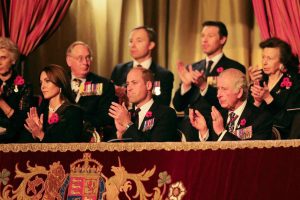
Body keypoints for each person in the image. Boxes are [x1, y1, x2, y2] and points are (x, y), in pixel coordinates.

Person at [172, 21, 245, 141]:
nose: (204, 40)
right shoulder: (194, 67)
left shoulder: (233, 67)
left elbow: (230, 102)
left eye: (210, 36)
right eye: (202, 36)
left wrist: (204, 85)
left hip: (215, 127)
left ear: (223, 39)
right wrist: (185, 85)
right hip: (189, 127)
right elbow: (178, 105)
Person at [189, 68, 272, 141]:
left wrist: (222, 133)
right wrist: (204, 131)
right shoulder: (217, 116)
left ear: (239, 92)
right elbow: (210, 152)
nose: (218, 95)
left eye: (224, 89)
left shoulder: (261, 118)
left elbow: (250, 153)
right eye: (218, 89)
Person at [109, 67, 180, 142]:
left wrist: (128, 124)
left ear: (148, 85)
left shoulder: (165, 114)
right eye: (127, 84)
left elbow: (155, 149)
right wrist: (121, 134)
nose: (128, 88)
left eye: (134, 83)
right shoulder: (127, 114)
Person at [249, 37, 300, 139]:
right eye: (263, 57)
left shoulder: (295, 82)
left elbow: (289, 121)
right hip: (255, 129)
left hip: (280, 133)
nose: (264, 62)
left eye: (270, 58)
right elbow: (247, 116)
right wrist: (256, 101)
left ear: (282, 62)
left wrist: (268, 98)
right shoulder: (259, 78)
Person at [66, 41, 116, 141]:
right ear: (69, 61)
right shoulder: (59, 82)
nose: (85, 62)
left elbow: (107, 117)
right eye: (80, 58)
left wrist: (78, 121)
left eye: (88, 57)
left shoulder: (104, 85)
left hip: (90, 137)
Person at [111, 26, 174, 106]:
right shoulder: (119, 70)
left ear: (151, 45)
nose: (133, 45)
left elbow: (162, 105)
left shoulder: (164, 75)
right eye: (130, 41)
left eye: (139, 41)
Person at [24, 64, 85, 142]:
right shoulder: (40, 112)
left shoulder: (74, 112)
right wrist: (34, 135)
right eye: (41, 82)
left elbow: (69, 148)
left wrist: (40, 134)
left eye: (47, 81)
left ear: (60, 82)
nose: (42, 86)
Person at [0, 37, 33, 143]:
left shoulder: (24, 87)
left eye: (3, 58)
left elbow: (21, 124)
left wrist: (1, 101)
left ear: (13, 60)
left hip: (13, 140)